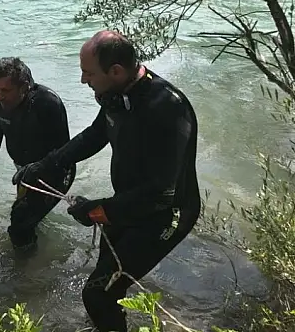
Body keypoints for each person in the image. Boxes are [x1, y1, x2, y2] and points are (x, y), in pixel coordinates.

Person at [12, 30, 201, 332]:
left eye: (88, 73)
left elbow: (160, 191)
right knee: (108, 281)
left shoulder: (167, 109)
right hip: (126, 206)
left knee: (97, 294)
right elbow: (95, 135)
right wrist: (44, 166)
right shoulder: (117, 96)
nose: (83, 80)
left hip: (165, 217)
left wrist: (98, 211)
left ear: (116, 71)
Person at [0, 57, 75, 254]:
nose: (0, 96)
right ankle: (35, 252)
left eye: (5, 90)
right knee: (28, 218)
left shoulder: (48, 103)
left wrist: (38, 169)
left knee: (19, 221)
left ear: (24, 87)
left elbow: (65, 153)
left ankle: (26, 274)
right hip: (24, 174)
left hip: (56, 172)